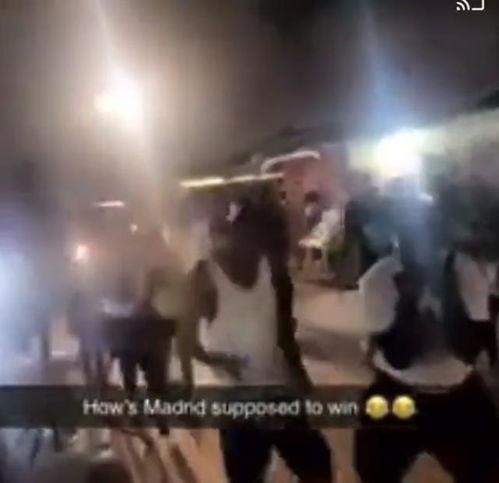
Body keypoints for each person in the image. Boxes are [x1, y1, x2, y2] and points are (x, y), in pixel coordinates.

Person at [178, 195, 332, 483]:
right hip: (235, 401)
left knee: (318, 468)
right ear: (240, 231)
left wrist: (300, 378)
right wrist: (213, 365)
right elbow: (185, 342)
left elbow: (285, 335)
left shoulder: (276, 273)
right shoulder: (203, 276)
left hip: (279, 391)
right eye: (268, 237)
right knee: (247, 475)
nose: (276, 246)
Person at [354, 185, 499, 483]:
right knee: (372, 471)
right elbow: (400, 357)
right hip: (398, 392)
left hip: (457, 394)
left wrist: (448, 291)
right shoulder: (379, 279)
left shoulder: (464, 269)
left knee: (487, 470)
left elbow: (469, 351)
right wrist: (409, 300)